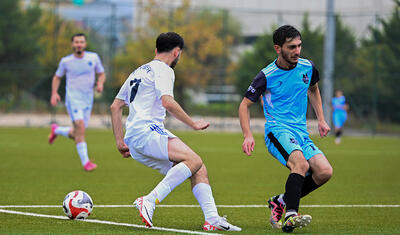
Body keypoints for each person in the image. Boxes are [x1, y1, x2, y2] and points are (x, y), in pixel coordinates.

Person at [110, 32, 241, 231]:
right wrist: (193, 124)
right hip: (147, 131)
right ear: (177, 52)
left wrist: (120, 142)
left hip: (135, 137)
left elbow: (115, 106)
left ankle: (212, 218)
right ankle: (150, 200)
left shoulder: (137, 71)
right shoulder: (164, 69)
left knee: (199, 168)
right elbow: (167, 102)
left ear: (156, 50)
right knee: (194, 160)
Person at [238, 25, 333, 233]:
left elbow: (314, 89)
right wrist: (247, 135)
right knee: (300, 164)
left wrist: (321, 119)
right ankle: (291, 215)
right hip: (277, 131)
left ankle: (280, 201)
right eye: (291, 47)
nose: (297, 51)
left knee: (325, 172)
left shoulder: (307, 67)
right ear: (278, 48)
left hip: (301, 133)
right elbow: (244, 105)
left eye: (299, 46)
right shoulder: (266, 75)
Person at [48, 33, 106, 172]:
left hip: (88, 99)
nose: (79, 44)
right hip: (73, 98)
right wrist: (54, 93)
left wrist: (100, 83)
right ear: (72, 44)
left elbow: (101, 73)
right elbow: (57, 77)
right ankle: (86, 163)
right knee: (80, 127)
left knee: (77, 133)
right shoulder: (66, 61)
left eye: (81, 42)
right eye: (76, 42)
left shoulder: (93, 57)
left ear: (85, 44)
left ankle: (56, 130)